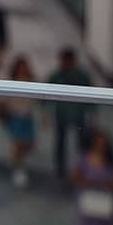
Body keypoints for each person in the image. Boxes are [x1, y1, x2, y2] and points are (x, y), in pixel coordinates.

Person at [0, 55, 39, 187]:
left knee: (29, 144)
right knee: (17, 144)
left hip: (27, 117)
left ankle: (18, 162)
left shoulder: (32, 81)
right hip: (15, 116)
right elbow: (1, 100)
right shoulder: (11, 81)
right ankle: (18, 168)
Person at [46, 45, 96, 177]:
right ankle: (60, 168)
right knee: (60, 141)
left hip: (78, 113)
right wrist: (46, 112)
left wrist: (91, 113)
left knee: (81, 142)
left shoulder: (81, 76)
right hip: (62, 113)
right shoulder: (57, 75)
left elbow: (91, 94)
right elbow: (46, 92)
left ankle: (81, 168)